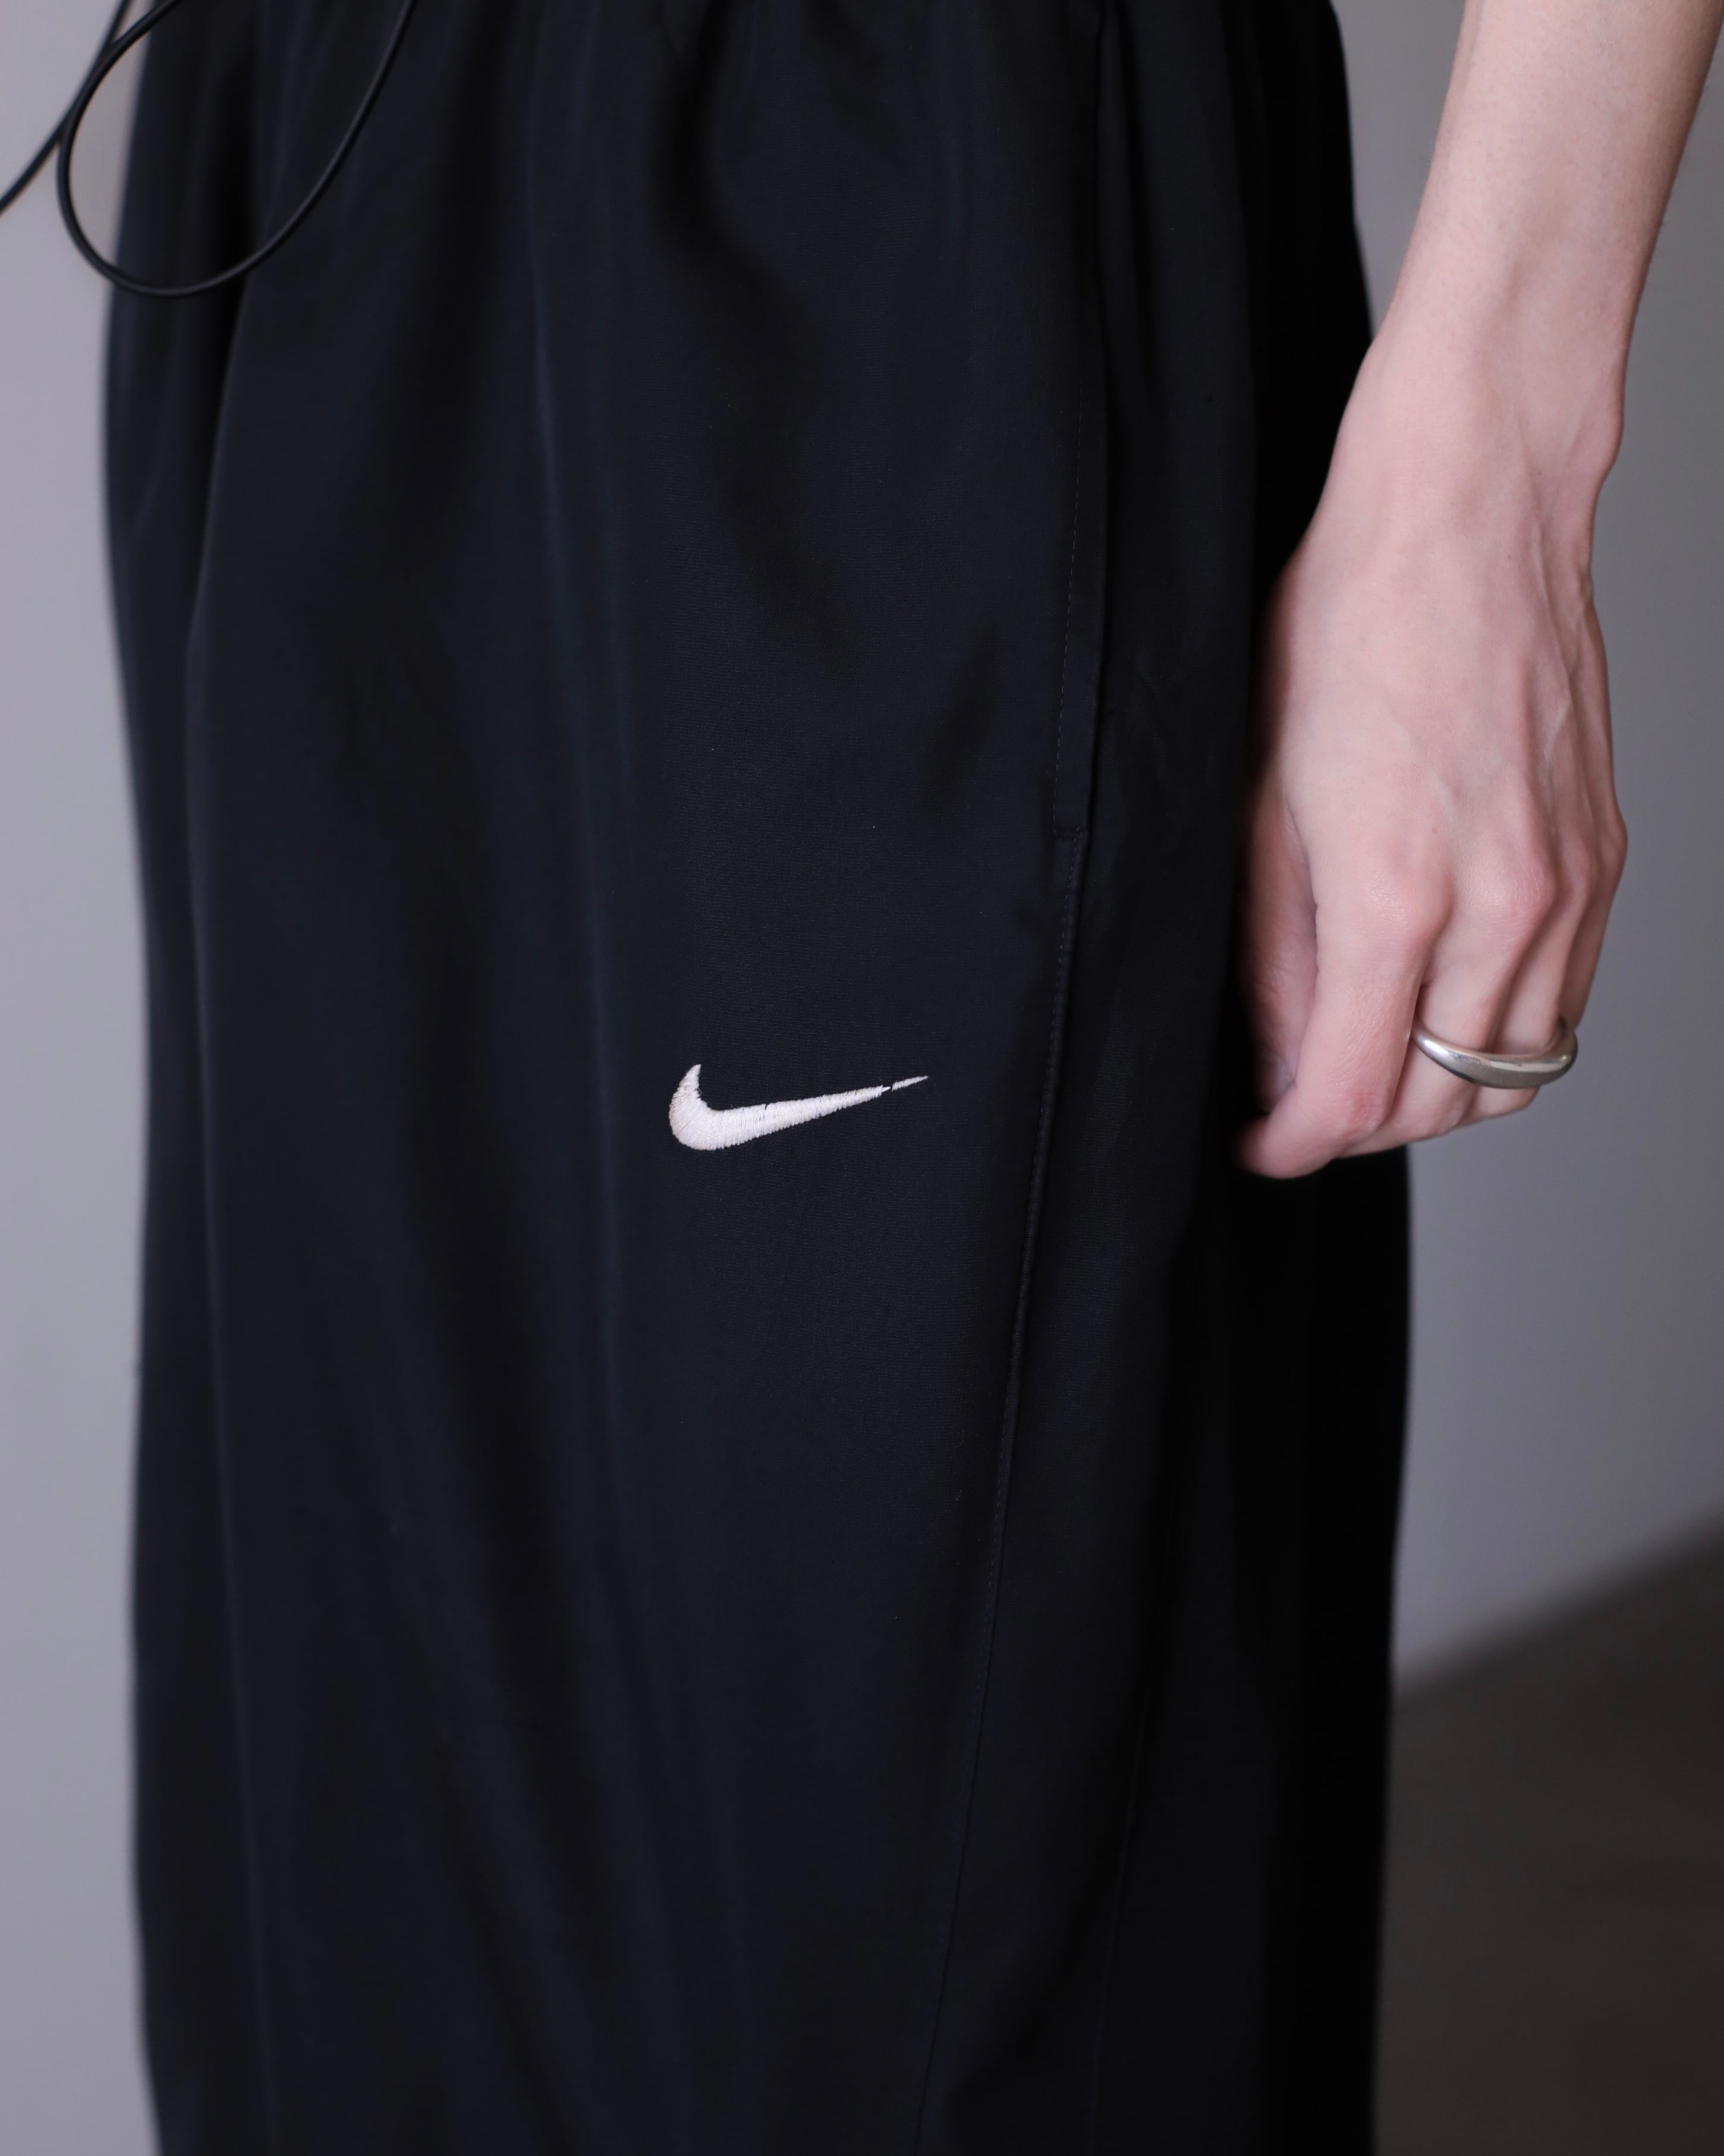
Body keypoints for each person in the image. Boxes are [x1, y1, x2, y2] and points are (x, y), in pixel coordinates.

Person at [95, 0, 1719, 2148]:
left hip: (896, 188)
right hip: (316, 159)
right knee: (352, 1904)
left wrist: (1493, 469)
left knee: (951, 1951)